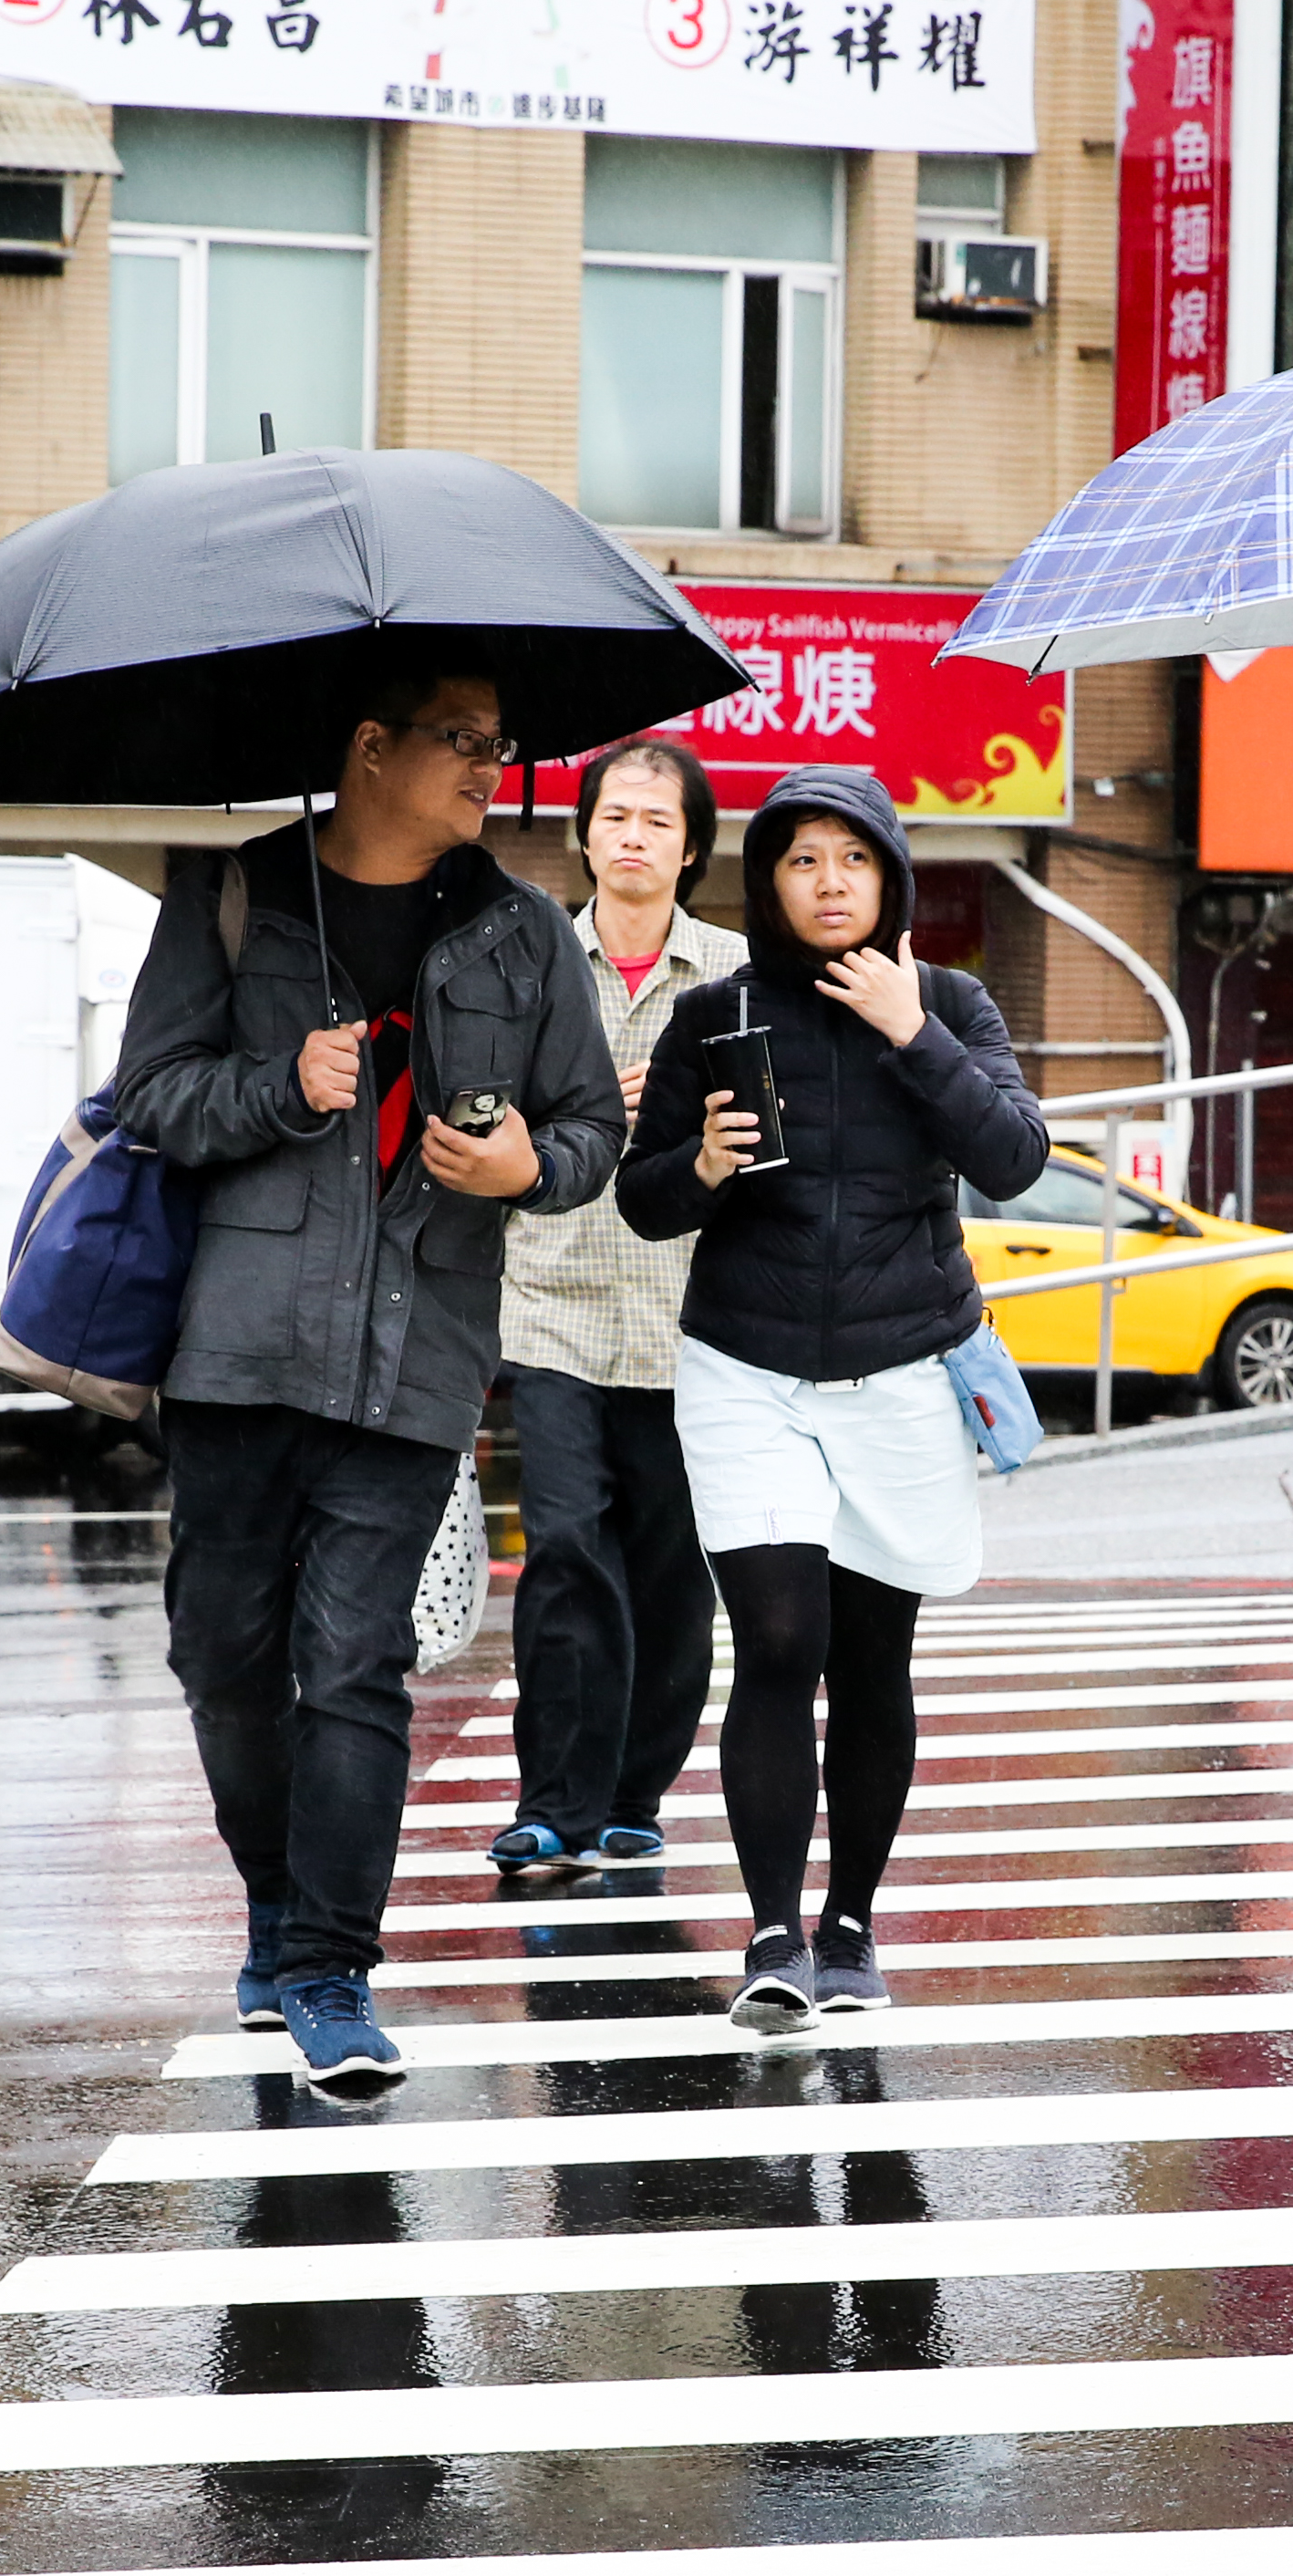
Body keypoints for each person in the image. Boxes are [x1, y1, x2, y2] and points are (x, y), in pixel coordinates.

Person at [114, 661, 626, 2096]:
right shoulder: (233, 896)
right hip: (236, 1353)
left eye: (500, 745)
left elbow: (588, 1126)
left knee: (354, 1664)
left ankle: (331, 1968)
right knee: (223, 1659)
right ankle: (277, 1907)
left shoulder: (525, 935)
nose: (487, 768)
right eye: (461, 740)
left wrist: (529, 1165)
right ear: (370, 746)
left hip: (419, 1354)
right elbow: (152, 1094)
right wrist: (280, 1085)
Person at [618, 767, 1048, 2031]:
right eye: (801, 860)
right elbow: (642, 1199)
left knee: (871, 1656)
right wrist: (701, 1164)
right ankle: (772, 1933)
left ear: (890, 877)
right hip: (746, 1369)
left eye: (852, 859)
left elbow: (1015, 1159)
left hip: (902, 1371)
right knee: (779, 1640)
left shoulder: (950, 1002)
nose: (828, 882)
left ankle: (850, 1924)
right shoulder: (715, 1013)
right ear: (768, 883)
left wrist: (913, 1032)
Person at [488, 736, 751, 1889]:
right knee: (562, 1547)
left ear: (690, 848)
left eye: (657, 820)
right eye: (615, 816)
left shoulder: (738, 973)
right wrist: (583, 1104)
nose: (633, 836)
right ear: (584, 834)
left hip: (691, 1316)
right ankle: (552, 1803)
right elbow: (480, 1105)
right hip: (549, 1300)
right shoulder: (530, 959)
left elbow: (776, 1130)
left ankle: (635, 1799)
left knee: (670, 1569)